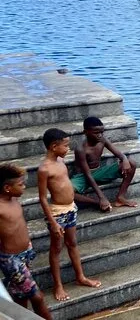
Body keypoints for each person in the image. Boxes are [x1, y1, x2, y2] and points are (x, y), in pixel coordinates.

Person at [38, 128, 101, 302]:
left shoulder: (60, 161)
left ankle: (80, 277)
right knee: (56, 249)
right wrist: (53, 222)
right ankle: (58, 285)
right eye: (65, 146)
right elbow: (42, 198)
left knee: (72, 243)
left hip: (70, 209)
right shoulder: (44, 169)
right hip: (57, 213)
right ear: (54, 146)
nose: (68, 149)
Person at [0, 164, 52, 319]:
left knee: (20, 294)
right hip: (11, 260)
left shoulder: (14, 198)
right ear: (7, 188)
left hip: (25, 253)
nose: (24, 187)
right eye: (20, 184)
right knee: (37, 297)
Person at [72, 117, 137, 212]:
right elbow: (87, 174)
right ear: (85, 132)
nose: (100, 135)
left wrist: (124, 159)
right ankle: (97, 203)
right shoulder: (80, 149)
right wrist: (102, 197)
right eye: (96, 133)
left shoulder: (102, 140)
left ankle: (121, 197)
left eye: (102, 132)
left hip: (99, 172)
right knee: (67, 192)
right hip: (83, 176)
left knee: (131, 163)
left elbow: (119, 154)